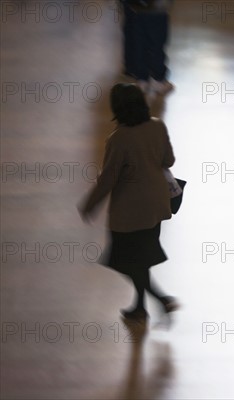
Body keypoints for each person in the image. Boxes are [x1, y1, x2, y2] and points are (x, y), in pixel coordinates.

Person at [79, 83, 179, 323]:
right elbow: (169, 159)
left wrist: (90, 204)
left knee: (124, 260)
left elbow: (109, 179)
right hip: (156, 205)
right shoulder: (157, 126)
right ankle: (139, 308)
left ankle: (161, 299)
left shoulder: (119, 138)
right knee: (140, 259)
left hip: (129, 212)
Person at [120, 0, 174, 95]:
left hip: (136, 7)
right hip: (156, 7)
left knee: (138, 39)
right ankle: (158, 79)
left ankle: (141, 79)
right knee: (157, 41)